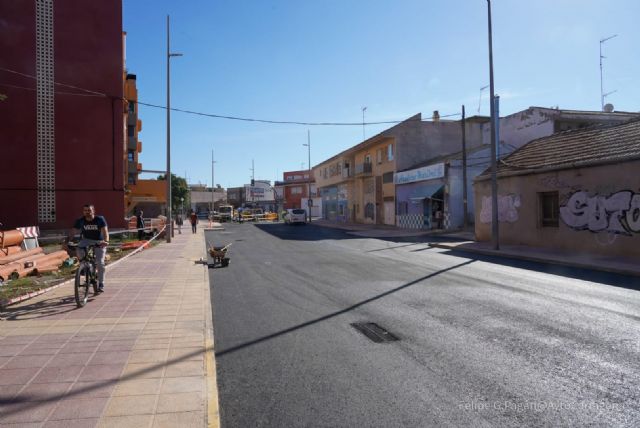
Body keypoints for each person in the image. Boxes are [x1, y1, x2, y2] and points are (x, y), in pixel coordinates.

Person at [68, 204, 109, 293]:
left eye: (89, 210)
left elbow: (105, 231)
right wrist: (67, 241)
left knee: (100, 263)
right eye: (85, 210)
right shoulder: (80, 220)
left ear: (93, 211)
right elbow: (73, 231)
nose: (87, 212)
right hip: (86, 240)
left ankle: (101, 283)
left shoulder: (99, 219)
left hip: (99, 241)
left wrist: (106, 241)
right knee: (78, 247)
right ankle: (84, 265)